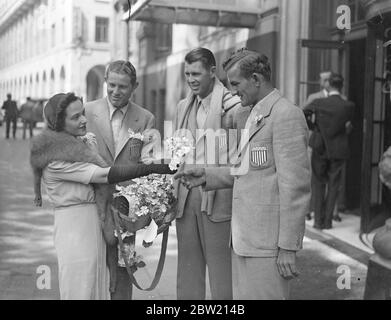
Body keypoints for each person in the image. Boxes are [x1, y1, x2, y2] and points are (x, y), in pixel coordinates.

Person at [175, 48, 311, 300]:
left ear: (257, 79)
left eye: (236, 84)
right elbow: (247, 170)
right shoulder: (248, 114)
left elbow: (296, 189)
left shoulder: (286, 115)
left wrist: (288, 248)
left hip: (267, 246)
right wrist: (206, 175)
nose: (233, 92)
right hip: (242, 241)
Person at [30, 92, 174, 300]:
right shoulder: (54, 158)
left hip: (93, 222)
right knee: (79, 287)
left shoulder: (80, 144)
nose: (84, 120)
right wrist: (158, 168)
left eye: (82, 114)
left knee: (97, 286)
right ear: (58, 124)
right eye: (75, 117)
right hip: (75, 227)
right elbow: (105, 174)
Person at [173, 47, 244, 300]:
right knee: (188, 271)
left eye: (197, 73)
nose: (191, 79)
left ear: (213, 72)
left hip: (218, 197)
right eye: (187, 73)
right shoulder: (182, 107)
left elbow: (242, 160)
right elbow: (176, 152)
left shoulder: (234, 106)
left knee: (220, 273)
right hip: (186, 197)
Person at [84, 60, 156, 300]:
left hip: (126, 210)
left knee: (124, 269)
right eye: (111, 85)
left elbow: (148, 166)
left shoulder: (145, 118)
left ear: (134, 86)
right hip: (91, 204)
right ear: (105, 82)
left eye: (123, 87)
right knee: (92, 268)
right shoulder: (86, 111)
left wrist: (146, 213)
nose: (115, 91)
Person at [303, 73, 354, 230]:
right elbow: (349, 126)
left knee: (318, 184)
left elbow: (303, 114)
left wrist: (314, 128)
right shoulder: (349, 105)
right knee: (334, 185)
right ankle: (328, 222)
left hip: (319, 146)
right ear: (341, 86)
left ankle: (318, 221)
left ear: (329, 85)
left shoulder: (319, 102)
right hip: (338, 149)